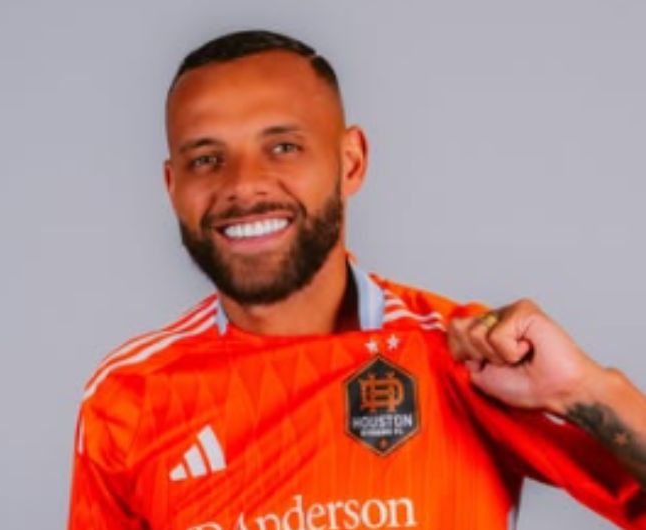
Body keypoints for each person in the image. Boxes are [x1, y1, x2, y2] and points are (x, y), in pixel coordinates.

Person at [67, 30, 646, 529]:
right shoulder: (132, 396)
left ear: (351, 163)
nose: (243, 185)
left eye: (283, 147)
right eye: (206, 159)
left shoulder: (464, 356)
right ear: (173, 187)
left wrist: (585, 391)